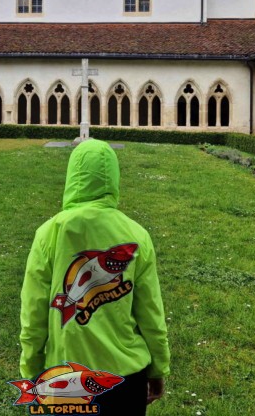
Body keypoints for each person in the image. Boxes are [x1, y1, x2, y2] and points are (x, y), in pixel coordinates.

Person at [19, 138, 170, 414]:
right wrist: (158, 368)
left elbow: (33, 314)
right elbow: (151, 314)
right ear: (114, 179)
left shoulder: (48, 233)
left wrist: (31, 370)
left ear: (72, 177)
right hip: (126, 380)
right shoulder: (138, 236)